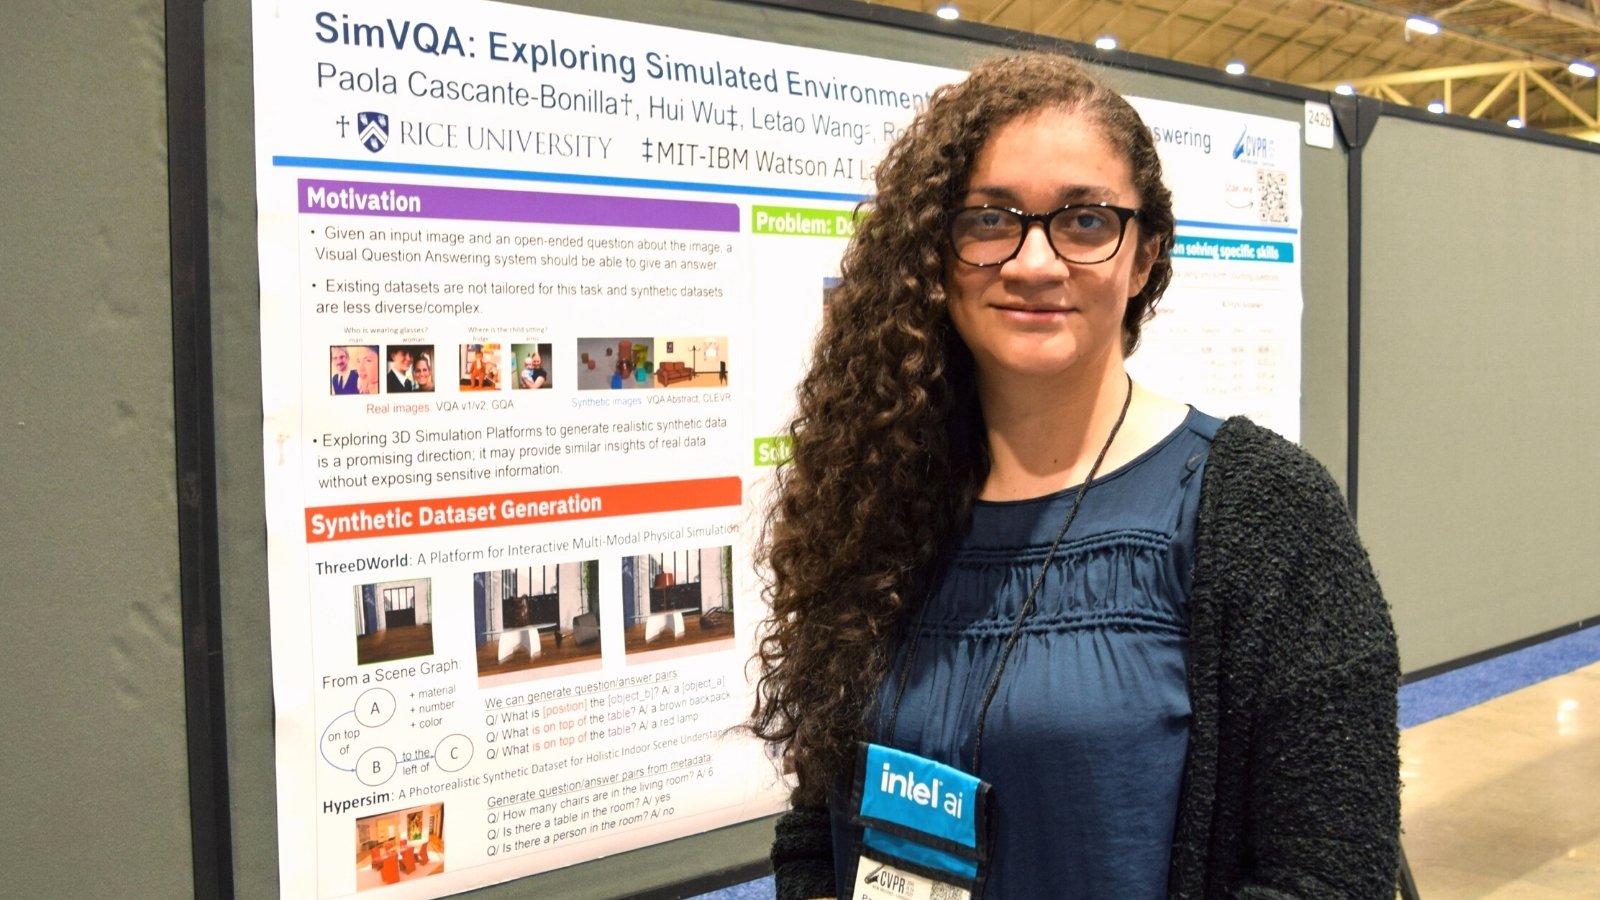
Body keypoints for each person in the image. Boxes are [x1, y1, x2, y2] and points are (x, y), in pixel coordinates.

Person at [751, 53, 1399, 900]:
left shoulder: (1263, 512)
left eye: (1085, 221)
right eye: (990, 219)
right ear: (936, 254)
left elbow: (1329, 876)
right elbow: (820, 816)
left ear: (1142, 259)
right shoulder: (878, 497)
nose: (1033, 262)